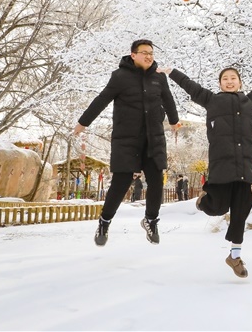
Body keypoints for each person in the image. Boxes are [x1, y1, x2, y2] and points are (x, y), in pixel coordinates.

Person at [159, 62, 252, 278]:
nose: (229, 81)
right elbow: (190, 86)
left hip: (243, 167)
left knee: (241, 211)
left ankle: (235, 256)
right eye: (225, 78)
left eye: (233, 78)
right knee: (217, 207)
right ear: (220, 84)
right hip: (221, 166)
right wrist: (172, 72)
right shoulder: (212, 100)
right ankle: (203, 201)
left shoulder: (250, 101)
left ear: (240, 82)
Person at [73, 39, 180, 247]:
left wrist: (174, 121)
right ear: (133, 55)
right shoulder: (120, 76)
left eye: (151, 53)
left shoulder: (159, 77)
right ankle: (104, 221)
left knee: (156, 179)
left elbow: (168, 99)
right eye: (144, 52)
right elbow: (102, 99)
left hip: (154, 138)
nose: (149, 56)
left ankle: (151, 220)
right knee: (121, 182)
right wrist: (83, 123)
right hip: (126, 139)